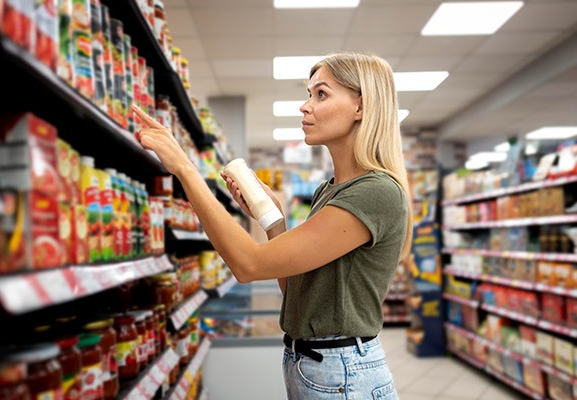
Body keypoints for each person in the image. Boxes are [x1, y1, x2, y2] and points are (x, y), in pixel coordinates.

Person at [132, 51, 412, 400]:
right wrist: (273, 221)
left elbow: (248, 265)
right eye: (309, 94)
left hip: (341, 372)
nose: (305, 106)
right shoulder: (330, 190)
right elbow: (296, 293)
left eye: (321, 94)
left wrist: (186, 171)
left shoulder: (376, 192)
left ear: (361, 106)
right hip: (311, 363)